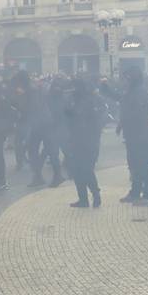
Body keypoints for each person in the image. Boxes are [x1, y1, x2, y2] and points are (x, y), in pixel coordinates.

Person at [102, 67, 148, 203]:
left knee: (142, 164)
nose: (124, 80)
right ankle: (135, 192)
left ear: (132, 78)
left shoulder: (140, 91)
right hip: (131, 133)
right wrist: (105, 88)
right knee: (133, 164)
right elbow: (121, 100)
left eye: (126, 78)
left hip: (140, 133)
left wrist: (125, 123)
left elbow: (138, 113)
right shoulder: (131, 90)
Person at [65, 78, 105, 208]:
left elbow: (89, 121)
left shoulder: (89, 101)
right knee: (78, 170)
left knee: (86, 170)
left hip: (87, 141)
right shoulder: (76, 100)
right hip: (77, 140)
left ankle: (95, 194)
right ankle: (83, 199)